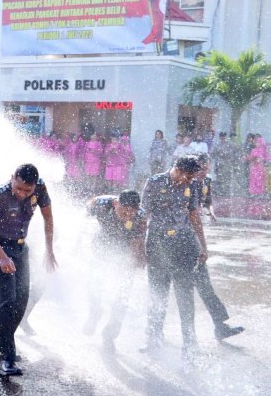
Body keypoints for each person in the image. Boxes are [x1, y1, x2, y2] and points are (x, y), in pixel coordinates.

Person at [0, 164, 58, 376]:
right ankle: (8, 358)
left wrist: (49, 250)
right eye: (19, 188)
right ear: (12, 177)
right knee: (7, 301)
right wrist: (2, 257)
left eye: (28, 190)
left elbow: (48, 218)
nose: (23, 194)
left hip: (21, 247)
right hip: (0, 247)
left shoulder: (40, 189)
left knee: (22, 300)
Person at [141, 155, 207, 362]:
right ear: (177, 169)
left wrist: (203, 245)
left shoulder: (192, 185)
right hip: (158, 244)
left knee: (185, 295)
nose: (189, 181)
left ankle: (189, 341)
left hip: (183, 245)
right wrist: (139, 246)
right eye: (187, 176)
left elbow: (194, 215)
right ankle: (153, 337)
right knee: (157, 293)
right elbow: (144, 215)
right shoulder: (154, 182)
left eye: (192, 177)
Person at [84, 190, 146, 352]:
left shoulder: (140, 216)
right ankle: (94, 312)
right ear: (116, 204)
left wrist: (134, 262)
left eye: (131, 211)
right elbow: (82, 219)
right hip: (101, 245)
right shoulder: (100, 203)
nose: (127, 214)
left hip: (125, 250)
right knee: (94, 285)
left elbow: (137, 242)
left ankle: (110, 335)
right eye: (124, 210)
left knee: (122, 295)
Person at [191, 153, 245, 340]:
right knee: (168, 287)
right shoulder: (185, 182)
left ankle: (219, 325)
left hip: (193, 238)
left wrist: (210, 212)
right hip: (180, 237)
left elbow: (207, 202)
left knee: (204, 284)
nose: (204, 171)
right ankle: (153, 332)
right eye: (201, 168)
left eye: (207, 168)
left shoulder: (205, 182)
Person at [211, 132, 237, 196]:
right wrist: (218, 157)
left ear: (225, 137)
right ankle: (220, 192)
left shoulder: (230, 144)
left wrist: (230, 159)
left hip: (227, 164)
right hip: (219, 164)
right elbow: (213, 154)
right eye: (221, 137)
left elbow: (233, 153)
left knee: (227, 178)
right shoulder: (217, 145)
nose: (222, 138)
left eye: (224, 137)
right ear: (220, 137)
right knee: (219, 179)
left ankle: (227, 192)